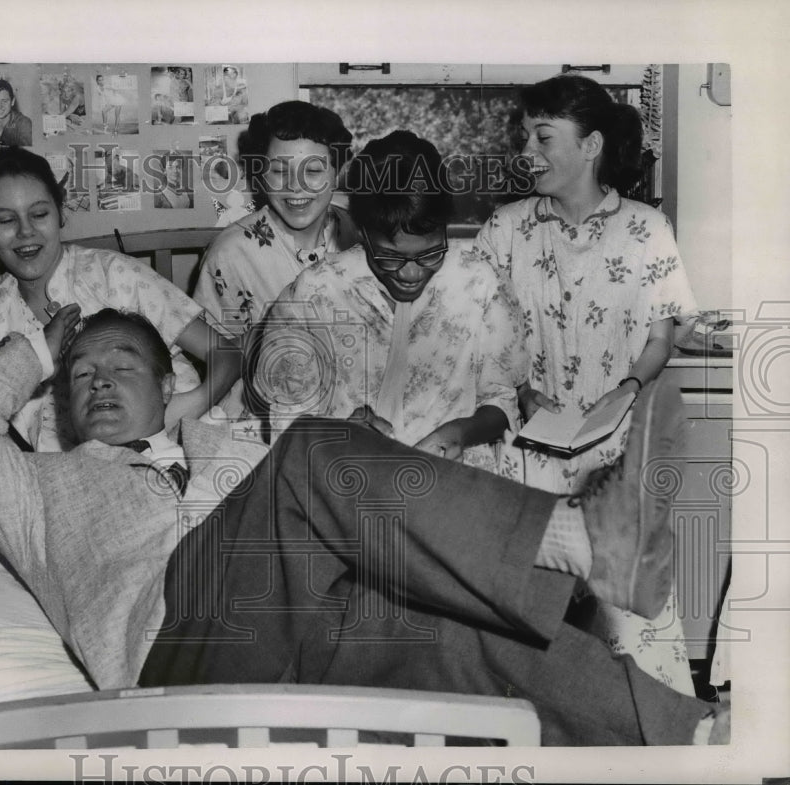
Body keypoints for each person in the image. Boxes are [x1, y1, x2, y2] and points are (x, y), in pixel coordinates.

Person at [0, 308, 728, 746]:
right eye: (82, 372)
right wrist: (39, 343)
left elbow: (351, 508)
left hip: (310, 629)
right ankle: (576, 540)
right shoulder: (39, 486)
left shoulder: (226, 440)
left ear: (170, 381)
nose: (96, 380)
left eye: (120, 363)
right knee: (310, 454)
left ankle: (689, 736)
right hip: (179, 651)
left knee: (467, 629)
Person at [473, 74, 700, 691]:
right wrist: (521, 392)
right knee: (525, 605)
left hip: (614, 446)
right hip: (528, 448)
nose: (527, 152)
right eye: (525, 137)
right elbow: (491, 338)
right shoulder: (506, 228)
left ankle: (651, 729)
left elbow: (660, 337)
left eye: (542, 137)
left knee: (624, 607)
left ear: (591, 144)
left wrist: (626, 391)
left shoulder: (647, 228)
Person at [254, 130, 526, 472]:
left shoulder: (481, 284)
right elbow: (286, 422)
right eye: (390, 258)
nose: (411, 275)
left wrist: (460, 432)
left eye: (430, 255)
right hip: (347, 475)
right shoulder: (315, 294)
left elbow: (501, 402)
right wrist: (342, 432)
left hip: (456, 478)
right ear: (364, 234)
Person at [0, 147, 241, 452]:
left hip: (174, 450)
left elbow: (227, 353)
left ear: (60, 213)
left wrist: (186, 410)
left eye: (39, 214)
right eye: (5, 220)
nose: (26, 232)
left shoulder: (113, 276)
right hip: (70, 478)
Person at [193, 101, 357, 337]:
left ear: (336, 173)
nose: (295, 186)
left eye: (312, 171)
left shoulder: (362, 237)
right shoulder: (229, 254)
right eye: (279, 171)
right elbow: (218, 355)